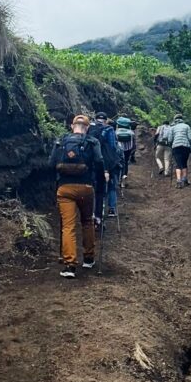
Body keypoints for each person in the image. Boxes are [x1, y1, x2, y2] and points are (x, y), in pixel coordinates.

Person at [48, 114, 106, 278]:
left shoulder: (61, 141)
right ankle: (88, 258)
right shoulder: (92, 142)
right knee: (87, 221)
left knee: (68, 226)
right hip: (86, 187)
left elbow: (50, 164)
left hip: (64, 188)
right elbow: (100, 161)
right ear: (87, 128)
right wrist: (101, 183)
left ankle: (70, 266)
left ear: (72, 126)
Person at [87, 111, 121, 223]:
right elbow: (113, 147)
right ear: (106, 120)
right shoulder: (109, 129)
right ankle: (110, 209)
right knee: (110, 185)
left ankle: (91, 212)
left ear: (95, 119)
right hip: (106, 162)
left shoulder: (90, 128)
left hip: (91, 163)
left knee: (93, 187)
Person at [169, 113, 191, 188]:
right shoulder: (187, 126)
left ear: (175, 120)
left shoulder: (172, 127)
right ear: (182, 119)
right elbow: (190, 138)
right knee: (184, 163)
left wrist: (172, 145)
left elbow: (170, 139)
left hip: (176, 147)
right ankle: (185, 180)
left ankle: (178, 181)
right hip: (185, 146)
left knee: (178, 164)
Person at [115, 116, 136, 182]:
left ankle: (117, 177)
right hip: (128, 149)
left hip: (118, 150)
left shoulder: (115, 132)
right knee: (126, 162)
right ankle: (124, 176)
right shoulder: (131, 133)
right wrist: (133, 151)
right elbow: (134, 144)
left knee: (117, 162)